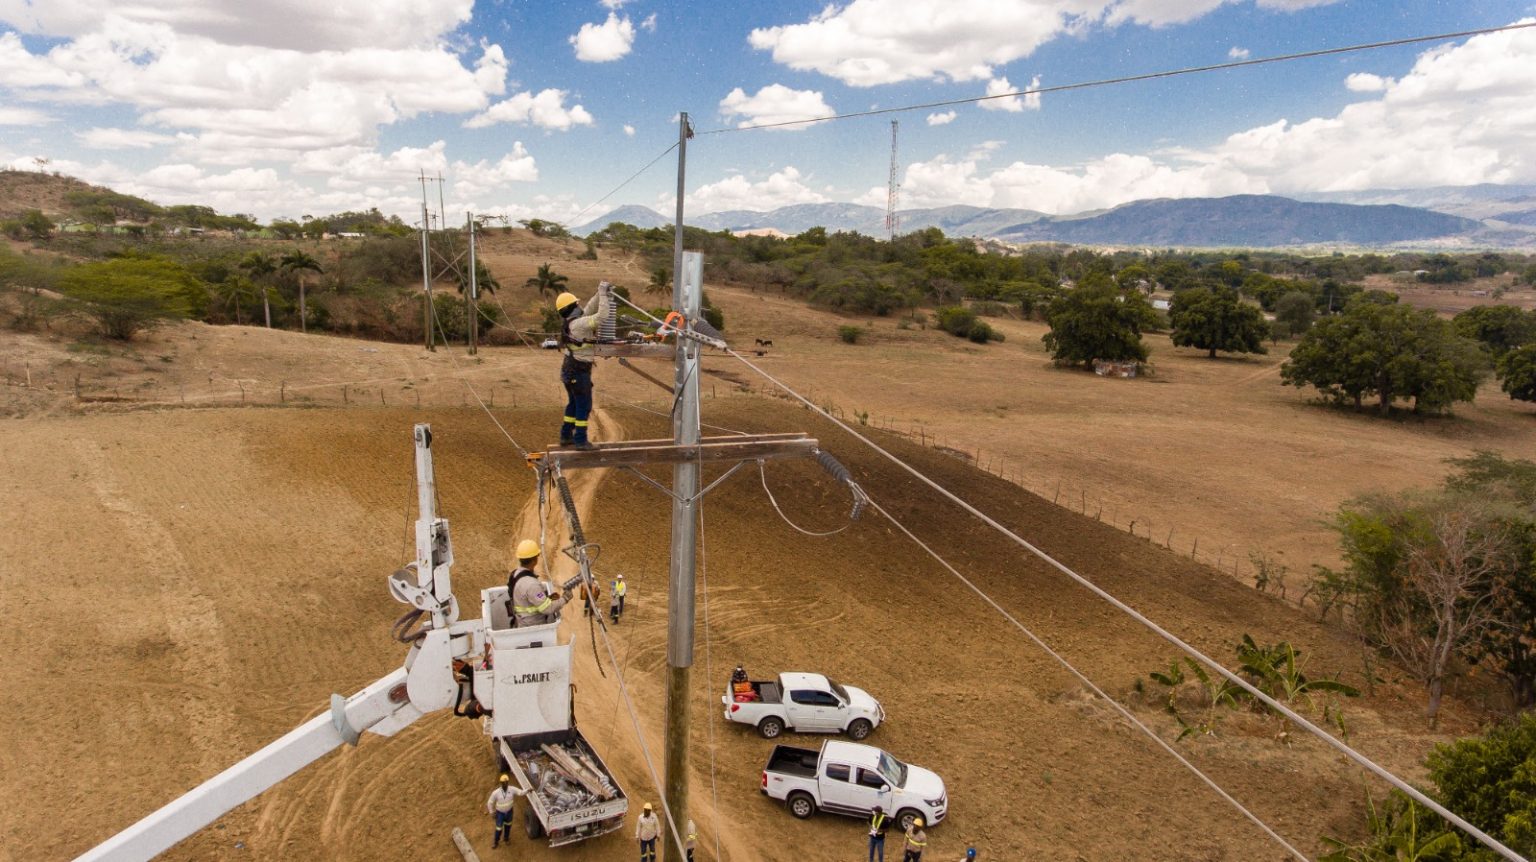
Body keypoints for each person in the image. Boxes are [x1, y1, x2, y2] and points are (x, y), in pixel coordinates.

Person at [556, 283, 613, 449]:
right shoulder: (579, 325)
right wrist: (603, 295)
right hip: (578, 371)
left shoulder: (573, 322)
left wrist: (599, 292)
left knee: (573, 404)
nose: (579, 306)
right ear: (572, 307)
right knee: (584, 406)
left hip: (570, 369)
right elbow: (601, 316)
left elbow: (589, 308)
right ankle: (580, 441)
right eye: (576, 304)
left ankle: (566, 436)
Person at [507, 539, 569, 627]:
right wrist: (565, 598)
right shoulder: (532, 585)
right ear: (534, 560)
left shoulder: (515, 574)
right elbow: (548, 609)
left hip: (522, 621)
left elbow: (528, 598)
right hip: (533, 627)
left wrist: (547, 599)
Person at [485, 773, 524, 848]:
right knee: (498, 828)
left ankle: (506, 839)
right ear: (501, 783)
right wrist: (492, 812)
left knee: (508, 826)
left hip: (509, 812)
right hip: (500, 814)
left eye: (506, 783)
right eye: (503, 783)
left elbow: (520, 792)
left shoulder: (511, 789)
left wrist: (528, 790)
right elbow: (490, 803)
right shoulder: (496, 793)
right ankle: (496, 842)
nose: (505, 785)